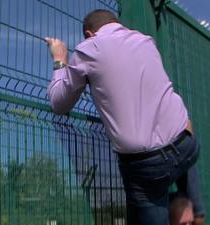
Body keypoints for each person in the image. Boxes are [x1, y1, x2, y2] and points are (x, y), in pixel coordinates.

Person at [45, 9, 202, 225]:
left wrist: (60, 59)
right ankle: (198, 213)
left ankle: (186, 210)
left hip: (147, 165)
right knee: (180, 158)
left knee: (153, 194)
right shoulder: (146, 41)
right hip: (187, 142)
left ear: (90, 34)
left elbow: (58, 103)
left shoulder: (88, 49)